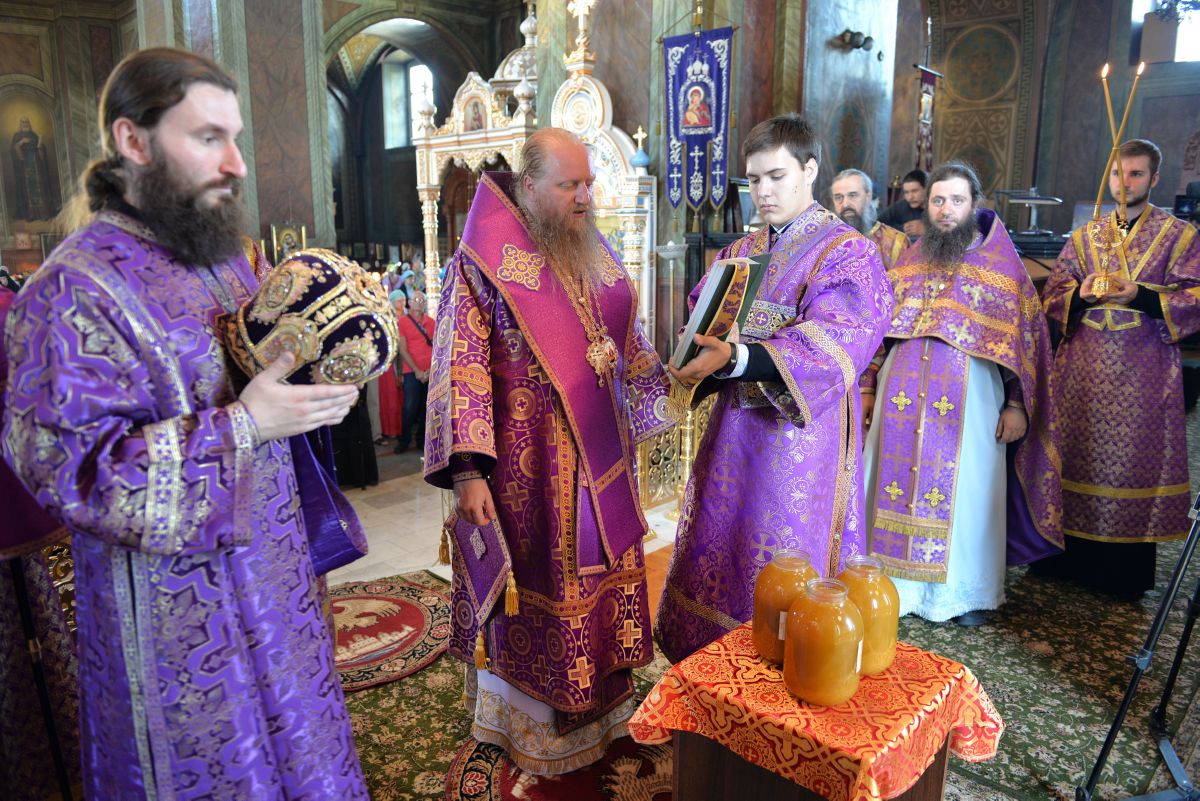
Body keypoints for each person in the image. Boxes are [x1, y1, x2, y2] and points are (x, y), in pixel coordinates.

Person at [1, 48, 369, 798]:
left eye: (236, 138)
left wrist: (317, 390)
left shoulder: (221, 261)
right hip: (175, 627)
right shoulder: (70, 290)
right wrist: (245, 426)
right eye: (209, 137)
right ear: (133, 141)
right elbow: (71, 474)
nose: (237, 163)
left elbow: (261, 378)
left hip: (277, 583)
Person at [424, 127, 671, 774]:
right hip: (525, 475)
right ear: (529, 187)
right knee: (541, 585)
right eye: (569, 185)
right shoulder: (482, 260)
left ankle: (606, 709)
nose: (585, 196)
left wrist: (669, 386)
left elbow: (622, 337)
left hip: (602, 462)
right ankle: (528, 724)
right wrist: (467, 471)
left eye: (588, 183)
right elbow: (459, 366)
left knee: (602, 576)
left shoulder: (590, 246)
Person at [654, 114, 894, 663]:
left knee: (781, 557)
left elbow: (839, 340)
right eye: (754, 180)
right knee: (722, 539)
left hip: (799, 441)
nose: (763, 192)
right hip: (731, 433)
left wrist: (739, 356)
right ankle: (710, 662)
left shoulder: (846, 252)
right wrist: (698, 352)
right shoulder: (740, 252)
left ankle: (781, 666)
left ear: (809, 170)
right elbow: (705, 316)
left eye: (776, 176)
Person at [861, 161, 1062, 626]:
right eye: (938, 200)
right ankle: (894, 588)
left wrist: (1016, 404)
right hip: (899, 397)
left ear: (974, 205)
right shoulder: (910, 260)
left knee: (968, 490)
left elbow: (1023, 342)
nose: (946, 209)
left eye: (956, 200)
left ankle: (960, 595)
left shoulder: (1001, 266)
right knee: (891, 485)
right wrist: (868, 386)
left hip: (969, 401)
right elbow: (880, 333)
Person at [1038, 139, 1200, 598]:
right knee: (1075, 452)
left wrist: (1140, 295)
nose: (1124, 183)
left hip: (1143, 367)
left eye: (1135, 174)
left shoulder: (1180, 236)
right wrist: (1081, 294)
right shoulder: (1085, 236)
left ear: (1154, 178)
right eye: (1117, 173)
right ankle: (1064, 559)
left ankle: (1121, 572)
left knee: (1130, 463)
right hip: (1083, 370)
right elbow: (1052, 295)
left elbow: (1195, 296)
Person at [830, 168, 909, 270]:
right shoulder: (824, 242)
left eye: (853, 195)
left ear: (868, 196)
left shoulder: (896, 242)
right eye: (838, 197)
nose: (845, 204)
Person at [394, 289, 434, 454]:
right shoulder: (402, 322)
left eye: (422, 300)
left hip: (430, 371)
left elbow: (438, 348)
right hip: (411, 371)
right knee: (409, 407)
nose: (419, 303)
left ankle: (421, 440)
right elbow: (402, 349)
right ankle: (404, 440)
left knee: (427, 407)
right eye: (416, 300)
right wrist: (417, 371)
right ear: (409, 303)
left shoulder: (432, 322)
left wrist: (430, 370)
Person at [878, 168, 927, 239]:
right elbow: (876, 226)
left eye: (914, 191)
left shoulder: (937, 207)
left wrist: (927, 230)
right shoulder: (900, 207)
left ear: (926, 189)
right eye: (906, 192)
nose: (910, 197)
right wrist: (902, 229)